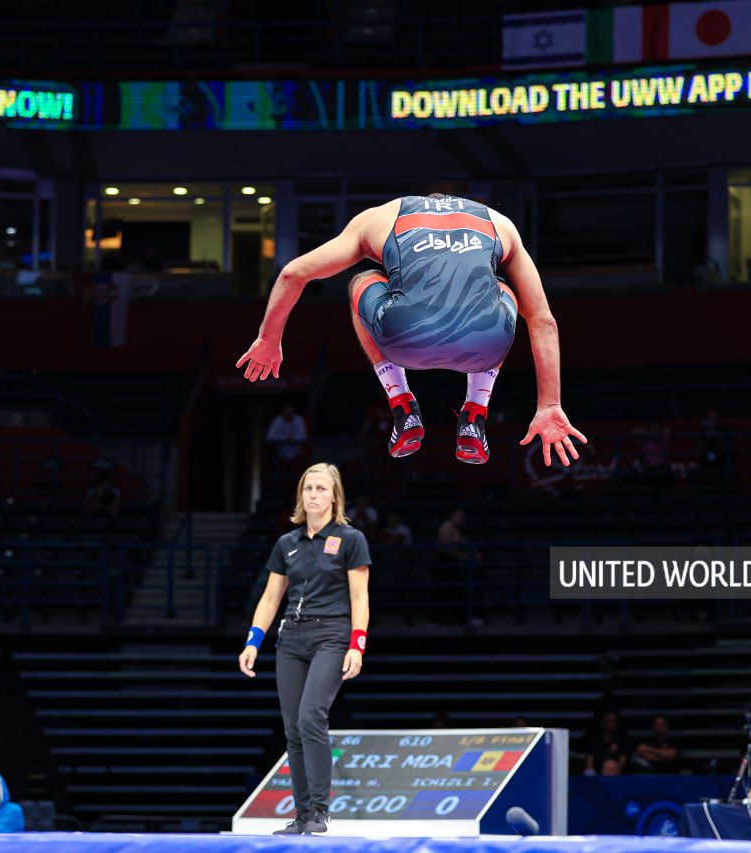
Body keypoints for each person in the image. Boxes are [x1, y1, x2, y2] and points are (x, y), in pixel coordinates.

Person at [237, 193, 587, 467]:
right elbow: (542, 319)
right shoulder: (500, 224)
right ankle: (475, 414)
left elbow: (292, 273)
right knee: (504, 291)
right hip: (485, 345)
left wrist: (270, 339)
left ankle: (401, 403)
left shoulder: (376, 219)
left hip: (403, 340)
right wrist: (549, 404)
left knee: (361, 280)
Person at [238, 462, 371, 836]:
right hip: (291, 640)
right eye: (308, 488)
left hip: (332, 635)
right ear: (301, 495)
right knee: (293, 727)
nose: (313, 495)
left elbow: (360, 598)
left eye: (321, 489)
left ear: (334, 496)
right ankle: (303, 816)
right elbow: (270, 598)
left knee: (313, 715)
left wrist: (357, 645)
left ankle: (319, 811)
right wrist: (253, 642)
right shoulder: (286, 544)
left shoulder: (351, 539)